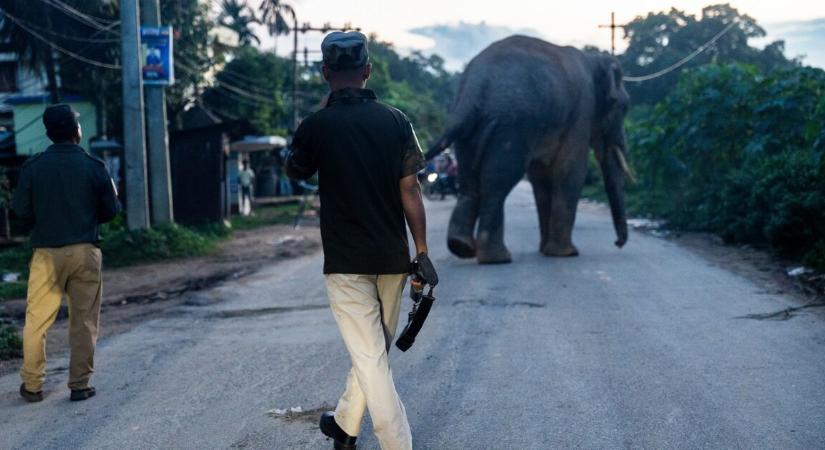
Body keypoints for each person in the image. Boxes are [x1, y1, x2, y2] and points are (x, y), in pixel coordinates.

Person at [285, 31, 431, 450]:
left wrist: (319, 118)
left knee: (370, 357)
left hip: (346, 263)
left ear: (325, 72)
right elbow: (411, 189)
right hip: (392, 259)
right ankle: (344, 426)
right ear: (368, 70)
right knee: (373, 354)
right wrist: (422, 251)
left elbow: (295, 170)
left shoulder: (316, 126)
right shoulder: (396, 121)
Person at [12, 104, 120, 403]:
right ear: (77, 131)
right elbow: (111, 211)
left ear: (49, 133)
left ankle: (32, 386)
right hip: (86, 252)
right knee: (84, 321)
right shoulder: (95, 166)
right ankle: (80, 385)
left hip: (46, 255)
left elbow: (21, 211)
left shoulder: (33, 167)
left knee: (36, 322)